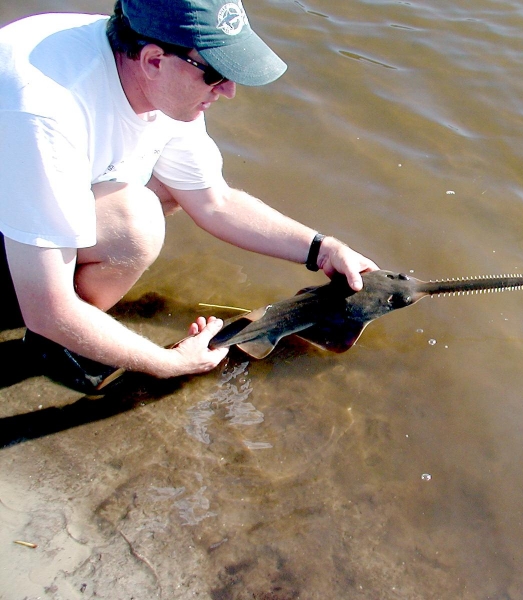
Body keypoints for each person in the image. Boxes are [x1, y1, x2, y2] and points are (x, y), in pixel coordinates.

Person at [0, 0, 378, 393]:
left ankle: (65, 300)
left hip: (19, 187)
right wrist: (169, 363)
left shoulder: (152, 71)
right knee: (137, 223)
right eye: (214, 74)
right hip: (14, 195)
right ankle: (53, 343)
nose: (229, 90)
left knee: (170, 188)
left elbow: (215, 202)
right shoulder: (45, 112)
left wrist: (323, 250)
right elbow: (48, 308)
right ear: (153, 61)